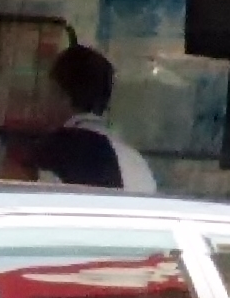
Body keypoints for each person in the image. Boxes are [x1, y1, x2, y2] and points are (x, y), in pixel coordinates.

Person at [30, 44, 156, 193]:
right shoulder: (135, 161)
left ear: (63, 96)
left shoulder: (48, 153)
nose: (43, 102)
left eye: (49, 91)